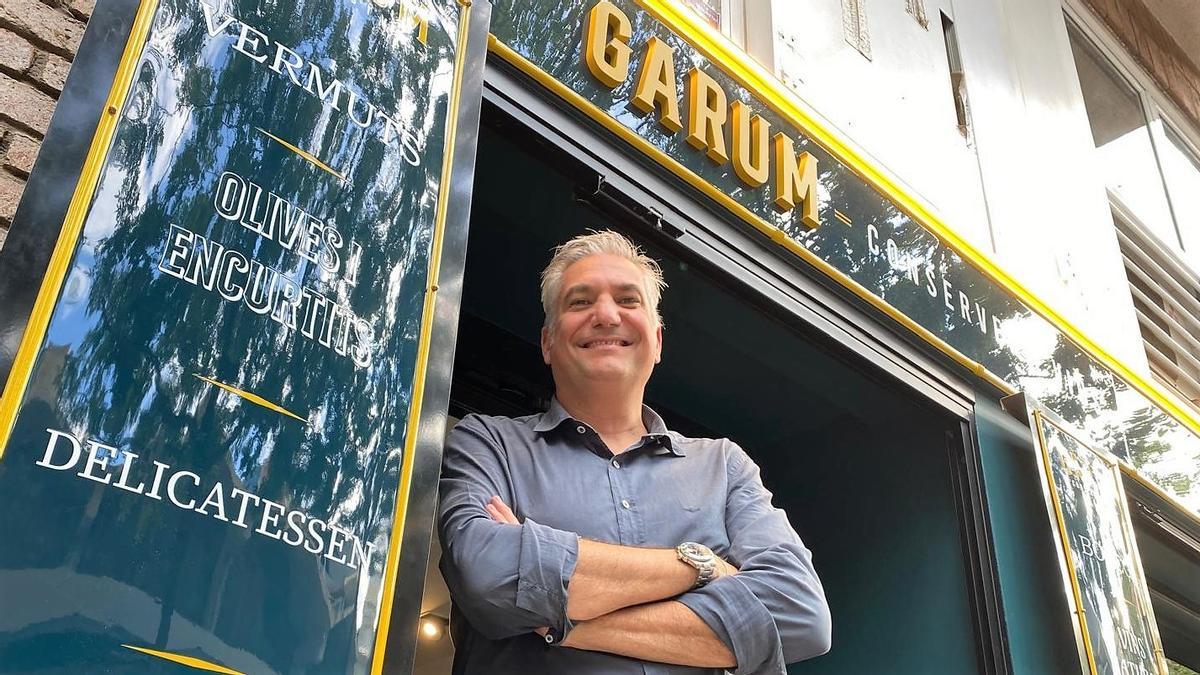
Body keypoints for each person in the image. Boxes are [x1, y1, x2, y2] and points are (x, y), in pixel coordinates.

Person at [437, 230, 831, 674]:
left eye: (628, 300)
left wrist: (563, 620)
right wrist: (699, 566)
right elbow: (488, 576)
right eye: (580, 302)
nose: (606, 315)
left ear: (657, 341)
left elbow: (800, 614)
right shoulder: (488, 444)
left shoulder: (724, 466)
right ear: (548, 343)